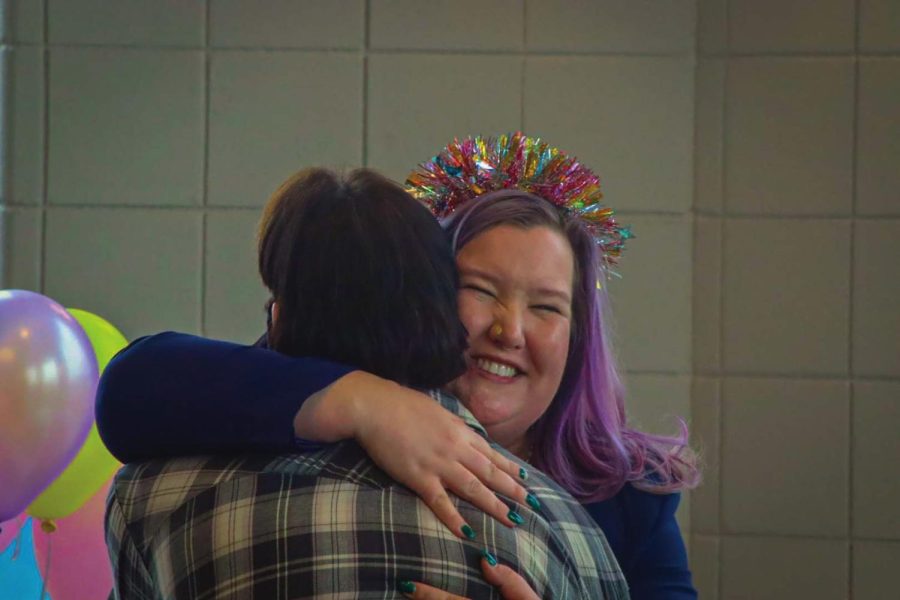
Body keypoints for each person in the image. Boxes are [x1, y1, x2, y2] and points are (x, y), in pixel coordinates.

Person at [98, 133, 700, 598]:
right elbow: (134, 383)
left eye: (546, 306)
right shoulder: (266, 410)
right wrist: (361, 401)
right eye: (482, 289)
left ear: (579, 336)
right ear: (427, 300)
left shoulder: (624, 499)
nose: (508, 330)